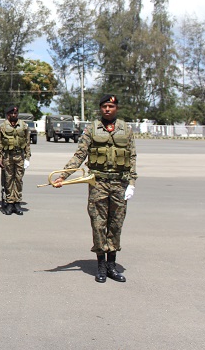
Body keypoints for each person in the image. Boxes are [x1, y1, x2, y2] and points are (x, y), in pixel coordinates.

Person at [52, 94, 137, 283]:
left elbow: (132, 158)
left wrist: (132, 183)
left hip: (119, 184)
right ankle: (100, 265)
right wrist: (63, 176)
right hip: (98, 183)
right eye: (104, 106)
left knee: (115, 225)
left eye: (111, 106)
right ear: (100, 109)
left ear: (116, 108)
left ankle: (111, 266)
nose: (107, 109)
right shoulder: (92, 129)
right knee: (98, 225)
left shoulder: (126, 129)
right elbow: (79, 154)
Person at [0, 105, 31, 215]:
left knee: (18, 180)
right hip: (7, 157)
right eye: (11, 113)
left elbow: (27, 142)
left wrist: (28, 158)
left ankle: (17, 202)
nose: (14, 115)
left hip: (20, 156)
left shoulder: (23, 126)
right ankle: (10, 202)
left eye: (15, 113)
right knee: (8, 180)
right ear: (8, 115)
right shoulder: (2, 126)